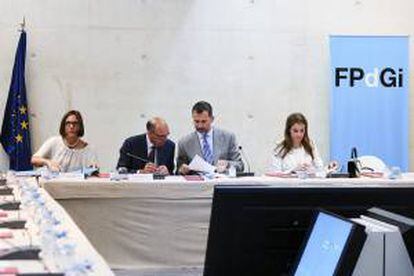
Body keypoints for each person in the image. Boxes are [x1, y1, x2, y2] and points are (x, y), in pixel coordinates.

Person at [177, 101, 244, 175]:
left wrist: (227, 164)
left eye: (204, 121)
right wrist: (182, 170)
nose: (200, 126)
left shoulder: (228, 137)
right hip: (197, 184)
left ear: (212, 119)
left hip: (221, 183)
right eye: (196, 121)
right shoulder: (184, 143)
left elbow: (240, 165)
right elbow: (178, 171)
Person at [31, 110, 98, 172]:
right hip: (52, 183)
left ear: (80, 126)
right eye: (68, 123)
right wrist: (48, 162)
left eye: (75, 123)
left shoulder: (88, 149)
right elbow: (34, 159)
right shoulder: (54, 142)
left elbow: (94, 171)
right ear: (63, 126)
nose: (71, 126)